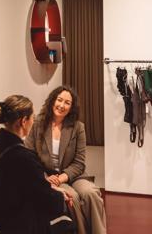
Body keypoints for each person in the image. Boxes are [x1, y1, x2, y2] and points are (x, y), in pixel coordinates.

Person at [0, 95, 72, 234]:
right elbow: (45, 198)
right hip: (9, 220)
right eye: (32, 117)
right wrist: (61, 197)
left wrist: (50, 189)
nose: (34, 121)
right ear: (23, 121)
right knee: (66, 224)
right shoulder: (23, 157)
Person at [25, 86, 106, 234]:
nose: (62, 105)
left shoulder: (78, 127)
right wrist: (44, 178)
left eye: (67, 103)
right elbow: (29, 157)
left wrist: (62, 177)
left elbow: (79, 162)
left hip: (73, 175)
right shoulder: (37, 124)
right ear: (52, 101)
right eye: (59, 100)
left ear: (71, 107)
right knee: (72, 197)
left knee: (91, 193)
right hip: (48, 176)